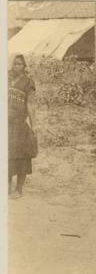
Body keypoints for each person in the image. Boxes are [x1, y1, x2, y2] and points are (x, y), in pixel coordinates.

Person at [8, 55, 36, 199]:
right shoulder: (6, 77)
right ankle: (6, 188)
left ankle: (18, 189)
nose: (16, 66)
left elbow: (30, 105)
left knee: (22, 157)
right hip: (6, 125)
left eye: (19, 64)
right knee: (6, 156)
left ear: (24, 66)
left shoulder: (28, 83)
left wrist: (33, 125)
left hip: (20, 125)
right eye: (14, 64)